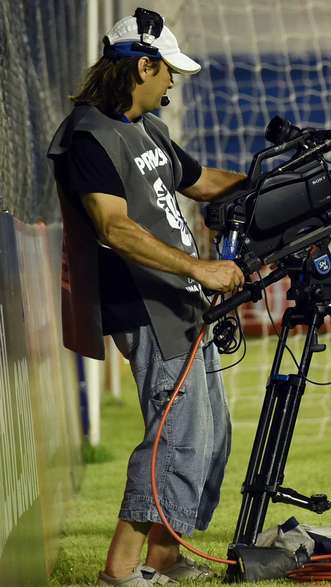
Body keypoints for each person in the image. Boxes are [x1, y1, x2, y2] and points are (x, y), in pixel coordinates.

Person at [48, 8, 246, 585]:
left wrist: (277, 177)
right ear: (143, 66)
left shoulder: (147, 128)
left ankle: (165, 561)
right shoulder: (88, 136)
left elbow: (201, 179)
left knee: (209, 437)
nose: (172, 83)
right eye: (168, 73)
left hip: (181, 302)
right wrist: (201, 268)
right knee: (175, 439)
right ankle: (119, 572)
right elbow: (113, 227)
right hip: (146, 305)